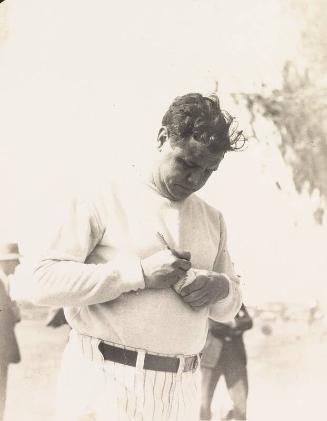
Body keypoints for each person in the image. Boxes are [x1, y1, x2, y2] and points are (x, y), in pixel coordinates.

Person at [31, 93, 245, 421]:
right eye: (187, 163)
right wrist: (139, 274)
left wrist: (221, 288)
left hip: (182, 390)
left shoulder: (212, 219)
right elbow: (42, 282)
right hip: (105, 383)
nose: (195, 180)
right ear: (162, 138)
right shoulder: (102, 196)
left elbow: (227, 309)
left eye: (208, 171)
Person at [200, 304, 253, 421]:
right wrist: (236, 328)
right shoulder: (210, 301)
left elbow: (249, 322)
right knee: (204, 404)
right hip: (211, 359)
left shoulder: (236, 301)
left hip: (235, 360)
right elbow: (212, 326)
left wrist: (234, 324)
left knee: (241, 404)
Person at [0, 243, 21, 421]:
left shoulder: (4, 282)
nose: (17, 266)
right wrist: (14, 313)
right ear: (5, 262)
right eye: (15, 261)